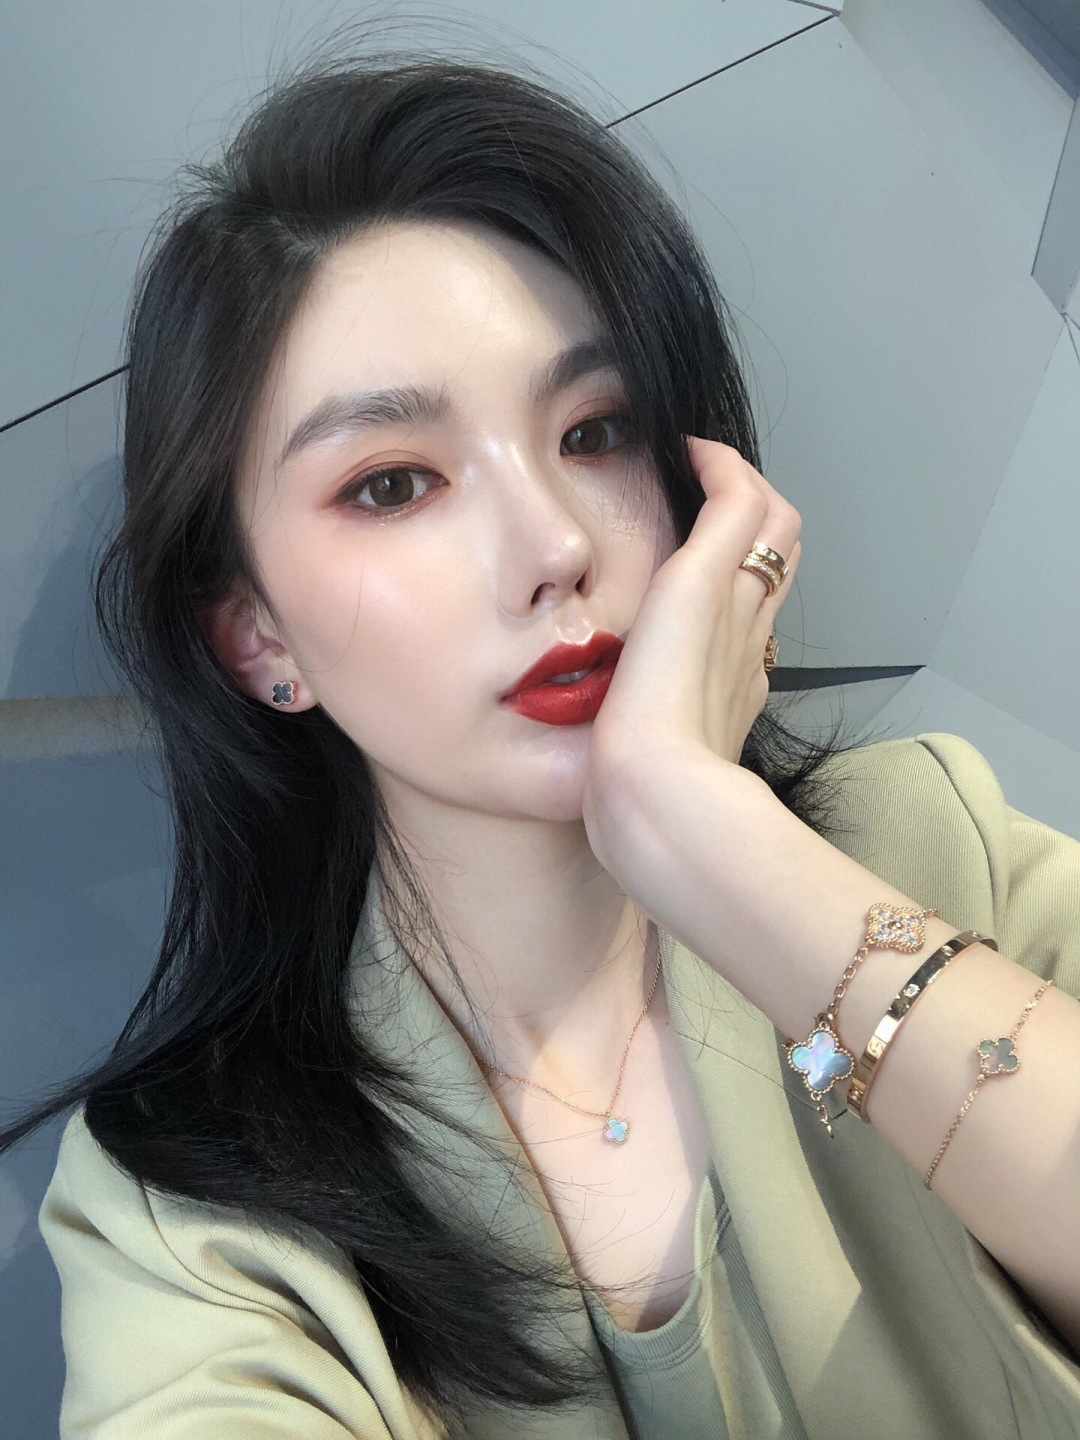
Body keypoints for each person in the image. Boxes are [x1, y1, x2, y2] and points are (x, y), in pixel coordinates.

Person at [5, 47, 1079, 1440]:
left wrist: (712, 842)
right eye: (394, 483)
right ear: (259, 637)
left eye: (597, 430)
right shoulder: (193, 1209)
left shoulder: (924, 850)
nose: (555, 545)